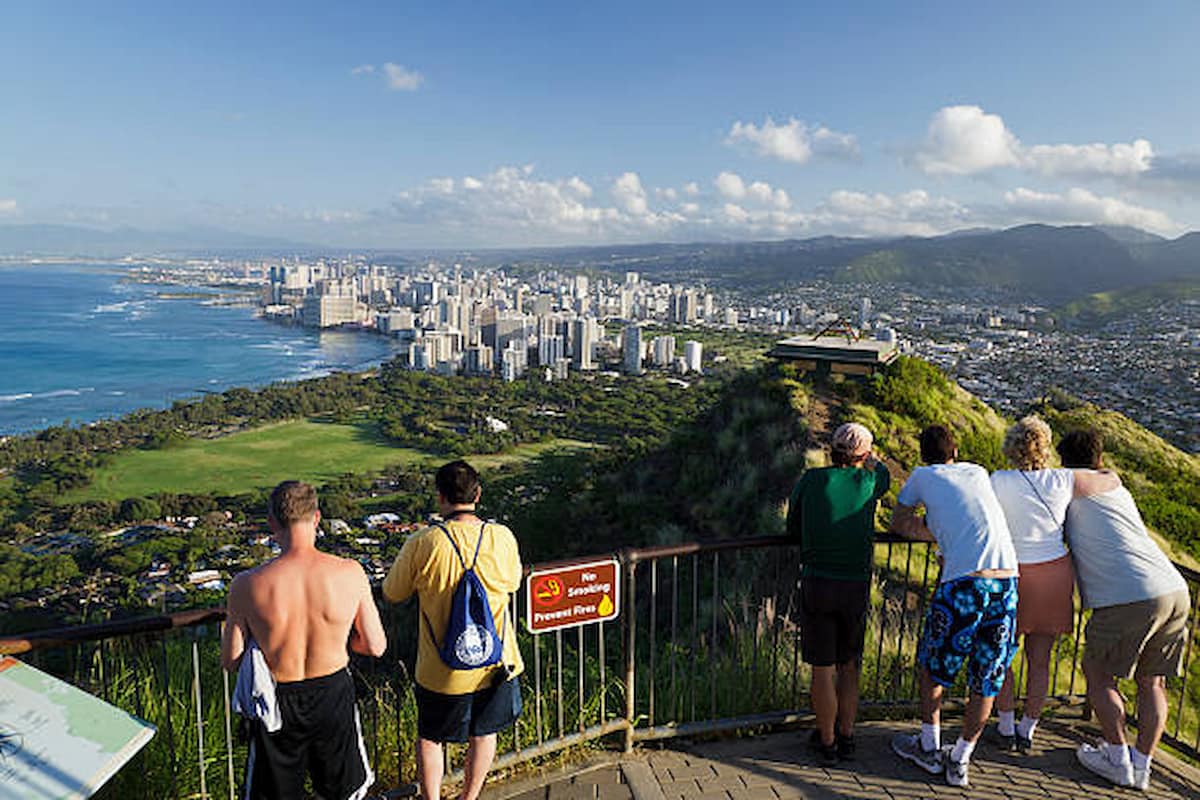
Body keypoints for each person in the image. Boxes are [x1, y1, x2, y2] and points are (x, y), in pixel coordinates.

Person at [220, 480, 387, 800]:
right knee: (343, 790)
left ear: (272, 523)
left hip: (276, 700)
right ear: (317, 518)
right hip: (333, 691)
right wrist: (341, 642)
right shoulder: (349, 572)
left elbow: (231, 660)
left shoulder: (246, 585)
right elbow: (375, 645)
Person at [383, 460, 524, 800]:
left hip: (441, 669)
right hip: (497, 662)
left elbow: (392, 593)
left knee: (432, 736)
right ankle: (469, 796)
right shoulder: (501, 536)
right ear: (478, 494)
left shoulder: (424, 542)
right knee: (484, 731)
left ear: (440, 497)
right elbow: (515, 581)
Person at [1058, 429, 1190, 790]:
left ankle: (1117, 759)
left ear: (1064, 460)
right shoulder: (1115, 485)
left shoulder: (1068, 492)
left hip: (1127, 595)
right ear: (1099, 459)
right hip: (1173, 587)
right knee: (1153, 682)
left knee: (1097, 674)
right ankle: (1141, 765)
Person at [888, 424, 1019, 788]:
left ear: (921, 453)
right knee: (987, 675)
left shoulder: (920, 476)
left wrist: (933, 531)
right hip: (1007, 579)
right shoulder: (977, 471)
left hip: (964, 581)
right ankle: (960, 759)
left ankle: (928, 748)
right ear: (956, 450)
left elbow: (898, 522)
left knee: (934, 666)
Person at [786, 422, 890, 765]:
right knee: (849, 665)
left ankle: (827, 741)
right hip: (855, 584)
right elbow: (885, 472)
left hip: (818, 581)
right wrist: (872, 460)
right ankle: (847, 735)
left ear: (832, 450)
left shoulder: (811, 481)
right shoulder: (871, 481)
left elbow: (792, 527)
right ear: (864, 454)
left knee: (822, 667)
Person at [987, 415, 1075, 753]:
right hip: (1054, 573)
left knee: (1004, 653)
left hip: (1014, 573)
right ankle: (1029, 730)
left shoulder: (999, 480)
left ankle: (1006, 726)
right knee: (1041, 660)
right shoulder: (1064, 479)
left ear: (1012, 446)